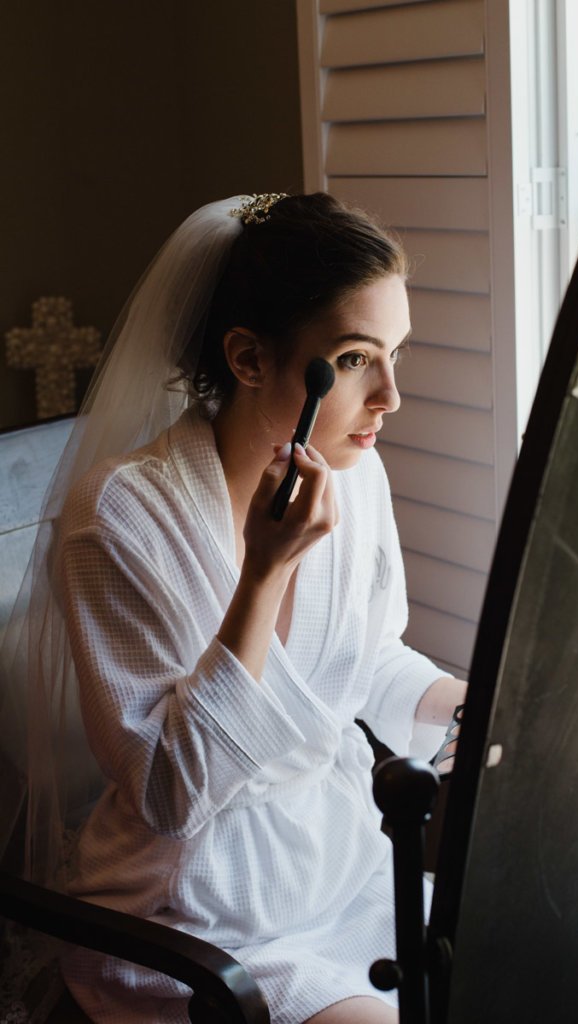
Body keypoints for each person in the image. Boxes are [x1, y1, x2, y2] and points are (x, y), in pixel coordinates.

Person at [13, 193, 467, 1023]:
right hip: (197, 917)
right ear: (250, 360)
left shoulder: (354, 480)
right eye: (359, 359)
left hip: (336, 864)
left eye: (397, 354)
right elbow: (168, 792)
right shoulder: (118, 514)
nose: (391, 397)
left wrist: (474, 703)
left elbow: (364, 661)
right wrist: (261, 575)